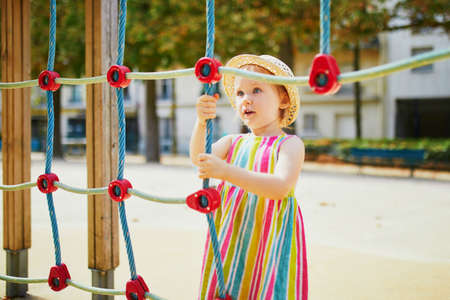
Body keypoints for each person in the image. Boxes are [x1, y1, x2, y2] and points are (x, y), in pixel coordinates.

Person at [190, 54, 308, 300]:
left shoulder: (290, 144)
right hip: (233, 235)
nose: (246, 100)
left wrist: (226, 172)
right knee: (231, 286)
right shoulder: (233, 142)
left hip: (270, 239)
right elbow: (199, 157)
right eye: (240, 93)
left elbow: (280, 188)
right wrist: (201, 123)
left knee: (266, 288)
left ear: (283, 99)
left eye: (256, 90)